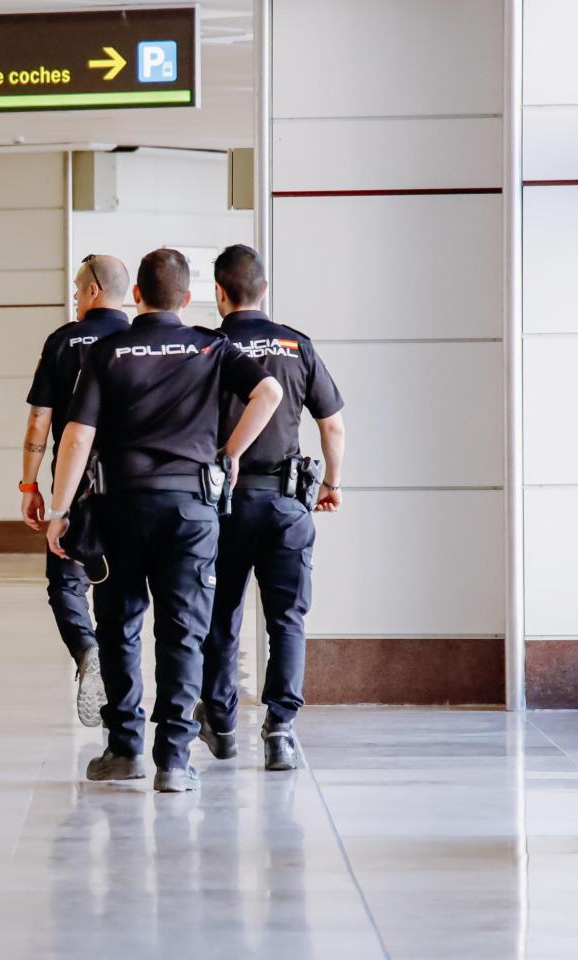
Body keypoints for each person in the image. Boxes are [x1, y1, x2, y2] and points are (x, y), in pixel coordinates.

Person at [43, 248, 283, 793]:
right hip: (191, 511)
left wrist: (60, 512)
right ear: (189, 294)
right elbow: (268, 392)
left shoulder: (108, 351)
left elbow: (77, 436)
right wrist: (230, 453)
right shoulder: (211, 346)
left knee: (120, 627)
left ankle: (124, 748)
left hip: (119, 507)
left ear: (136, 297)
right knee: (183, 632)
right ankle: (174, 759)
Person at [197, 244, 346, 771]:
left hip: (222, 504)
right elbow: (332, 425)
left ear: (219, 291)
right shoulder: (296, 345)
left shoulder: (210, 347)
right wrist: (332, 482)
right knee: (287, 619)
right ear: (264, 289)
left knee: (221, 615)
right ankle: (280, 730)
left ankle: (220, 723)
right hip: (287, 504)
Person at [22, 254, 133, 728]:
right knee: (125, 592)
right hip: (134, 489)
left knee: (65, 582)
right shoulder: (139, 339)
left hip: (75, 486)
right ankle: (125, 702)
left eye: (75, 287)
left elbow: (40, 419)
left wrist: (30, 484)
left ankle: (87, 650)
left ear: (92, 290)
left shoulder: (64, 341)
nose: (72, 295)